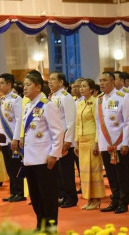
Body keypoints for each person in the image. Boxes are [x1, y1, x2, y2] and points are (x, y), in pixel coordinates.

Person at [22, 73, 64, 231]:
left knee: (48, 195)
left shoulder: (47, 105)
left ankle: (51, 227)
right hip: (30, 158)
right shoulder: (28, 105)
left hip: (44, 158)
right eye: (24, 85)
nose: (24, 88)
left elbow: (57, 131)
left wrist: (54, 154)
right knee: (36, 195)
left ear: (38, 87)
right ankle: (41, 223)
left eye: (28, 85)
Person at [96, 71, 129, 214]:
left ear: (113, 82)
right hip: (105, 143)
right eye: (100, 80)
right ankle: (115, 199)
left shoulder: (123, 97)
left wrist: (125, 143)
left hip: (118, 141)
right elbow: (99, 123)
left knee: (122, 174)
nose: (102, 83)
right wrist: (98, 143)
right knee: (111, 174)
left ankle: (124, 201)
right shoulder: (99, 99)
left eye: (105, 80)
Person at [74, 78, 106, 210]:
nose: (81, 89)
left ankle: (97, 199)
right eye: (80, 86)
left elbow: (98, 124)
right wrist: (76, 142)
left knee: (94, 171)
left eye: (84, 86)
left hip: (92, 139)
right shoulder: (80, 103)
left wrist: (97, 142)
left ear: (92, 89)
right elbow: (77, 124)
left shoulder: (95, 102)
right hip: (82, 141)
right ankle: (89, 198)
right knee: (85, 172)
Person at [48, 71, 78, 208]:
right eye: (49, 79)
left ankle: (71, 197)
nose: (50, 82)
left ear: (61, 82)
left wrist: (68, 140)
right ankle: (62, 195)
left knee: (66, 171)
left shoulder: (66, 97)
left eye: (53, 79)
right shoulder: (52, 97)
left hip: (64, 140)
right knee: (58, 172)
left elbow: (71, 120)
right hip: (55, 140)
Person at [0, 73, 26, 202]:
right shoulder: (1, 100)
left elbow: (19, 120)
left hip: (12, 139)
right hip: (4, 139)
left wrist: (16, 138)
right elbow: (0, 122)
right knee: (9, 168)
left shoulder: (16, 99)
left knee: (16, 167)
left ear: (9, 84)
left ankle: (19, 192)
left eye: (2, 83)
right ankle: (13, 192)